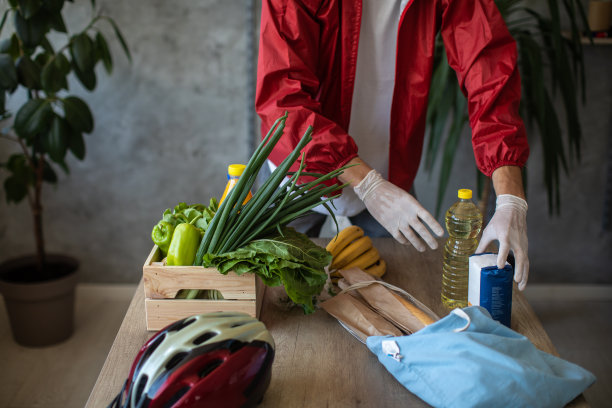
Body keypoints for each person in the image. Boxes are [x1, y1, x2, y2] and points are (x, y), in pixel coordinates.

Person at [255, 0, 530, 290]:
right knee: (273, 297)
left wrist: (511, 198)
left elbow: (487, 69)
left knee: (396, 294)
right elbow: (283, 100)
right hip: (299, 168)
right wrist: (368, 184)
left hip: (389, 170)